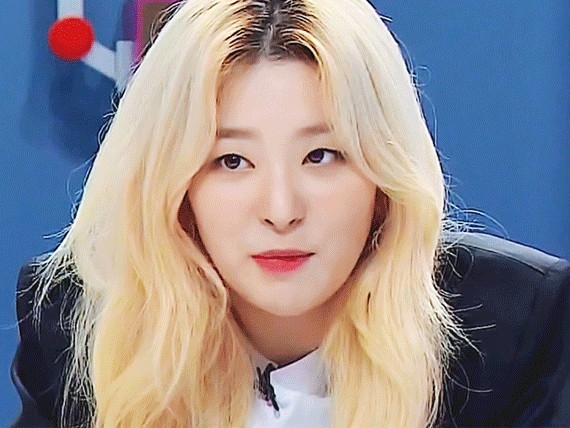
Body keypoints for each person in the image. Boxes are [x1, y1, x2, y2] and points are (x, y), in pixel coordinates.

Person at [11, 0, 570, 426]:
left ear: (383, 177)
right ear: (175, 188)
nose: (281, 211)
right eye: (232, 160)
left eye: (321, 155)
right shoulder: (78, 327)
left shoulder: (515, 329)